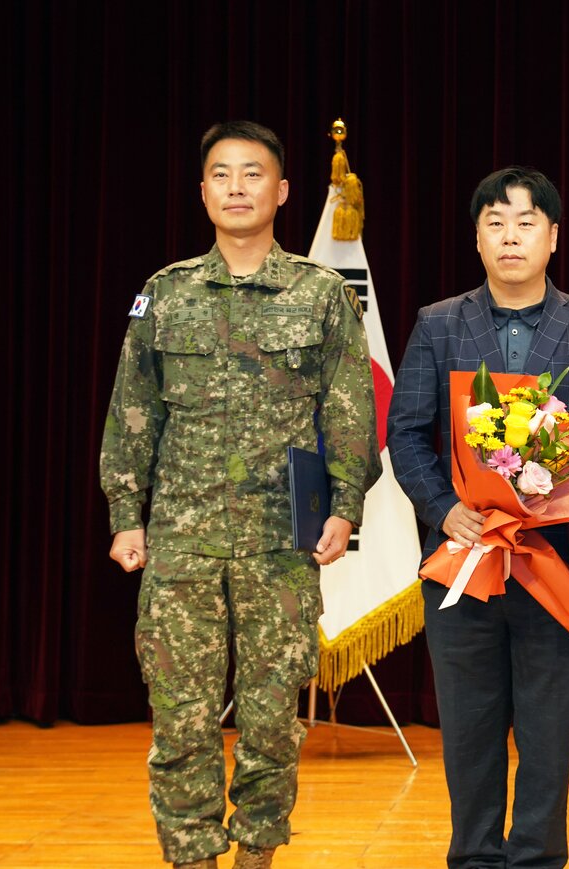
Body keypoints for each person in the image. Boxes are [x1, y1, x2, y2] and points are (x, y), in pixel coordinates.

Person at [99, 120, 380, 869]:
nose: (236, 188)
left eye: (252, 174)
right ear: (201, 191)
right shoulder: (166, 293)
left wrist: (346, 505)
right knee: (181, 718)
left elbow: (349, 408)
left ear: (282, 191)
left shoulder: (320, 294)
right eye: (221, 175)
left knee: (269, 720)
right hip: (182, 543)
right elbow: (134, 411)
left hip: (279, 542)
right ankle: (190, 856)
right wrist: (126, 514)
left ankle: (257, 853)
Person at [387, 166, 569, 869]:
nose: (510, 235)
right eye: (495, 221)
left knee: (548, 734)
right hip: (464, 568)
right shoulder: (439, 324)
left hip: (557, 564)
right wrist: (445, 511)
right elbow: (405, 432)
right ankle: (471, 857)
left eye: (526, 221)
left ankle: (535, 859)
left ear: (553, 236)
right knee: (468, 733)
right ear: (476, 237)